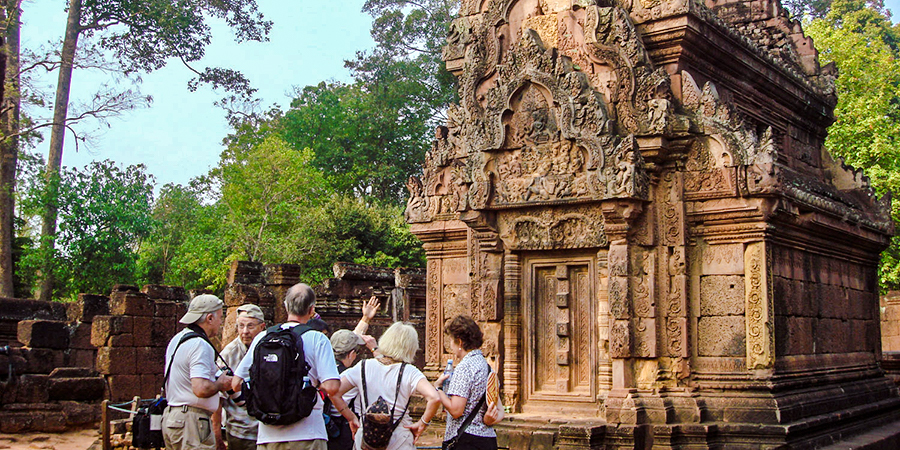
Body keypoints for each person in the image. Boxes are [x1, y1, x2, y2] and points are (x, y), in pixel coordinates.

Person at [232, 283, 358, 450]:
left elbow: (235, 384)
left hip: (268, 434)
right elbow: (332, 387)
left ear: (285, 306)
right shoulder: (317, 339)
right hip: (308, 433)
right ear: (312, 310)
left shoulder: (263, 337)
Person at [336, 322, 442, 450]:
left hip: (367, 435)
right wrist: (422, 423)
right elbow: (434, 398)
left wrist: (350, 416)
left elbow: (333, 392)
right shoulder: (409, 371)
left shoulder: (364, 366)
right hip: (399, 438)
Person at [162, 294, 234, 450]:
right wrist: (220, 383)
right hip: (191, 421)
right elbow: (201, 388)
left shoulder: (178, 339)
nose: (221, 323)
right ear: (209, 318)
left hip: (173, 417)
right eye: (220, 317)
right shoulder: (200, 344)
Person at [433, 315, 504, 450]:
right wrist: (489, 420)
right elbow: (500, 410)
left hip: (466, 440)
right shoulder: (488, 368)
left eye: (451, 341)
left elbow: (456, 410)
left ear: (459, 342)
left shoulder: (464, 367)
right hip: (487, 439)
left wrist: (438, 390)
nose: (451, 346)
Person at [213, 304, 267, 450]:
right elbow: (217, 399)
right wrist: (217, 435)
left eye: (250, 326)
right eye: (241, 326)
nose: (245, 331)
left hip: (269, 429)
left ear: (262, 327)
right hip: (241, 431)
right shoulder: (229, 354)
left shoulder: (272, 348)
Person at [326, 330, 365, 450]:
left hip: (324, 425)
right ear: (351, 353)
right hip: (341, 428)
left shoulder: (325, 369)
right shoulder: (349, 374)